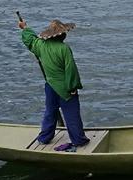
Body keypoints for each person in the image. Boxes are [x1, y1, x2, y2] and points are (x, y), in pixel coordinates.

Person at [19, 17, 89, 150]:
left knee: (50, 112)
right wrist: (73, 87)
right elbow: (70, 69)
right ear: (61, 35)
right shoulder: (64, 48)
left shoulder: (41, 45)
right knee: (72, 114)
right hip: (65, 88)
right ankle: (78, 140)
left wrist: (25, 28)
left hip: (50, 85)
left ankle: (44, 138)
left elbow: (30, 40)